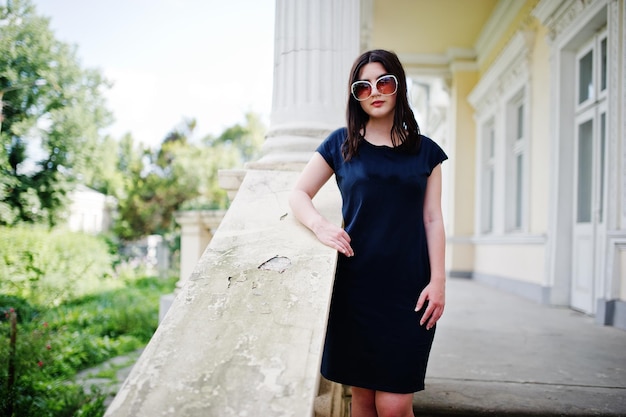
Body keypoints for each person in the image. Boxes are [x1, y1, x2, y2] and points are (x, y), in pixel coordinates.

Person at [289, 49, 448, 417]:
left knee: (393, 405)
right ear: (355, 95)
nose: (374, 91)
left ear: (398, 87)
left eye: (384, 82)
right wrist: (321, 226)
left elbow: (433, 219)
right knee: (361, 400)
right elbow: (298, 194)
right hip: (356, 287)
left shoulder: (426, 153)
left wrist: (438, 280)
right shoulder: (341, 144)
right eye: (363, 86)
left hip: (411, 289)